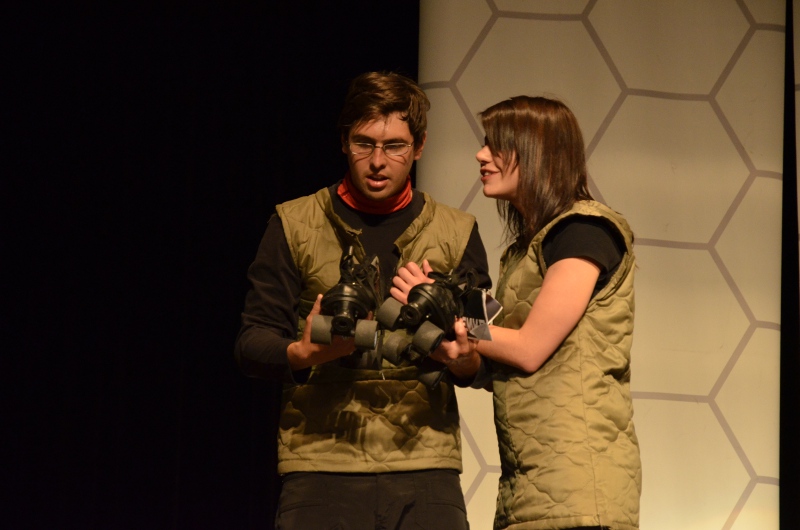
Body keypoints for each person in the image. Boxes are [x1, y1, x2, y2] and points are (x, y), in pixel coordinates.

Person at [234, 71, 491, 529]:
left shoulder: (457, 232)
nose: (377, 161)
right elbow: (252, 343)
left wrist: (463, 358)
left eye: (394, 146)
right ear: (343, 142)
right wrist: (304, 354)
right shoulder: (293, 223)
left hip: (425, 465)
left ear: (419, 146)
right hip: (320, 464)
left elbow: (482, 352)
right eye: (363, 143)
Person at [395, 96, 641, 529]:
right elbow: (495, 345)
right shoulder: (523, 252)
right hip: (530, 485)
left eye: (495, 145)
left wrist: (450, 315)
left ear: (535, 152)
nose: (480, 155)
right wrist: (445, 309)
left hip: (579, 488)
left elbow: (528, 347)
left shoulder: (583, 231)